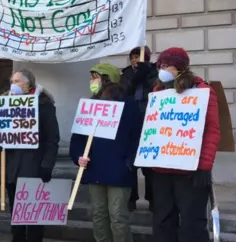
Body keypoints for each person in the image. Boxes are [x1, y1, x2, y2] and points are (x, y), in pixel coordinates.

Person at [152, 47, 220, 242]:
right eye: (160, 65)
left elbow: (212, 131)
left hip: (191, 171)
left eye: (166, 65)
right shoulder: (158, 91)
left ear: (180, 67)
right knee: (163, 222)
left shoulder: (203, 91)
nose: (161, 69)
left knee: (192, 224)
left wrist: (205, 166)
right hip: (162, 170)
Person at [70, 63, 142, 242]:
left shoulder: (128, 104)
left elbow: (137, 136)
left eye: (95, 77)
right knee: (99, 215)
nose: (92, 81)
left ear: (107, 79)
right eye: (92, 77)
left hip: (119, 170)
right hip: (94, 168)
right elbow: (78, 137)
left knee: (118, 216)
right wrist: (78, 156)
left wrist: (130, 162)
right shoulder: (90, 104)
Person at [0, 69, 60, 242]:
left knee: (33, 218)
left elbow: (52, 139)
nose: (13, 85)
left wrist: (47, 165)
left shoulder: (44, 104)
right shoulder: (5, 103)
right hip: (12, 168)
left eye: (17, 81)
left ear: (28, 84)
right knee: (15, 215)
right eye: (12, 81)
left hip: (33, 167)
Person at [120, 46, 158, 212]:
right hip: (132, 123)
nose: (135, 60)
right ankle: (131, 198)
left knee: (149, 167)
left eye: (138, 56)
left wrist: (146, 75)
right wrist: (135, 78)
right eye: (133, 57)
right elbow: (123, 92)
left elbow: (157, 90)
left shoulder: (155, 72)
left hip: (150, 123)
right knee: (132, 164)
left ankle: (152, 199)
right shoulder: (127, 73)